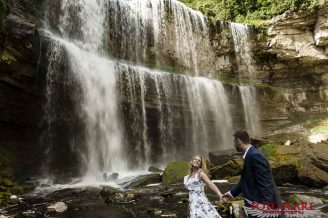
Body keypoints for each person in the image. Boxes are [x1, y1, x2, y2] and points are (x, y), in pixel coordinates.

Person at [221, 131, 282, 218]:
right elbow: (245, 180)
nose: (233, 145)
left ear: (238, 141)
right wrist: (231, 193)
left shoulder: (255, 156)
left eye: (234, 142)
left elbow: (266, 185)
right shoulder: (250, 155)